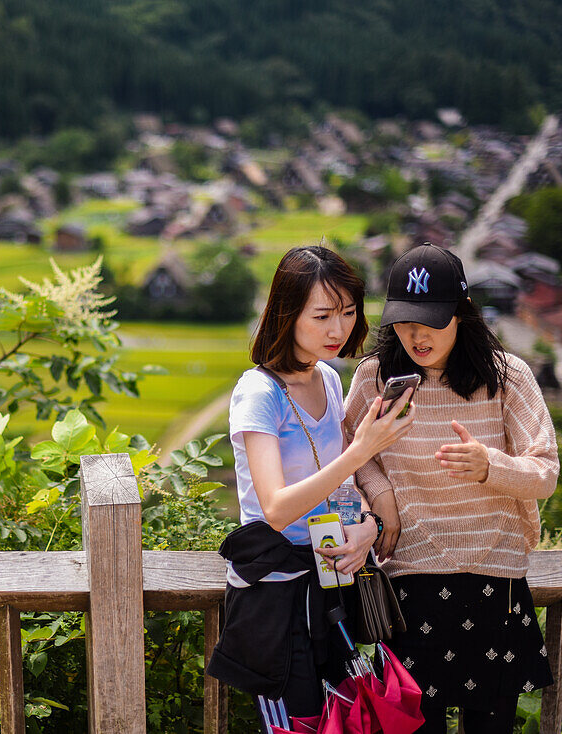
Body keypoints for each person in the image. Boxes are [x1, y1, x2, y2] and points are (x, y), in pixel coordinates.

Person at [345, 244, 557, 733]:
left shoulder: (507, 376)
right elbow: (350, 457)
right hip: (410, 581)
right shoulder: (376, 377)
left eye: (432, 321)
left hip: (493, 580)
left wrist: (490, 465)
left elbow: (545, 472)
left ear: (461, 313)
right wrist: (382, 499)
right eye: (404, 321)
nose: (416, 335)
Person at [207, 245, 415, 732]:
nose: (337, 330)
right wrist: (361, 450)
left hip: (331, 581)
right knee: (296, 726)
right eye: (322, 315)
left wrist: (366, 524)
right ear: (286, 314)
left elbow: (339, 481)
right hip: (278, 598)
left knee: (347, 720)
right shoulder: (257, 392)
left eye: (347, 313)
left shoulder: (327, 376)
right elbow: (275, 508)